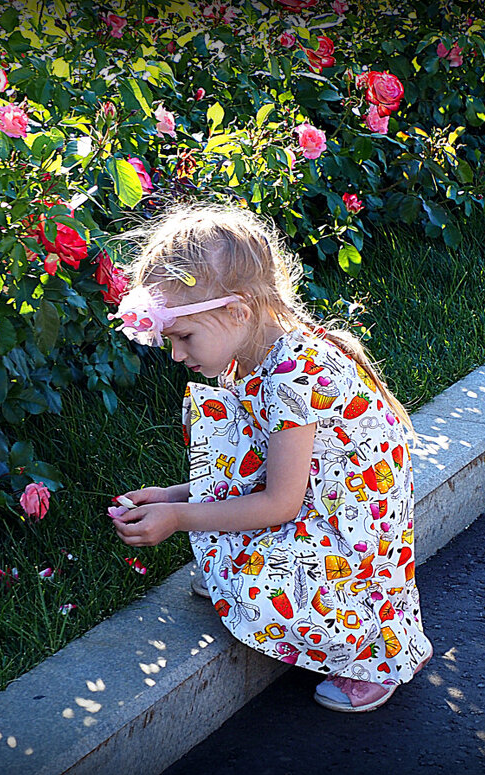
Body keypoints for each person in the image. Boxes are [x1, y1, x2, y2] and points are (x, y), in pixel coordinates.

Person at [108, 202, 433, 712]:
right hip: (314, 501)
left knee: (263, 601)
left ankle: (377, 655)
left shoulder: (291, 376)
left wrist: (177, 516)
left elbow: (280, 503)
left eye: (183, 337)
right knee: (237, 560)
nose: (176, 355)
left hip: (350, 532)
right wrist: (171, 496)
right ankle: (246, 581)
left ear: (237, 312)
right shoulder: (258, 354)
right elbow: (254, 470)